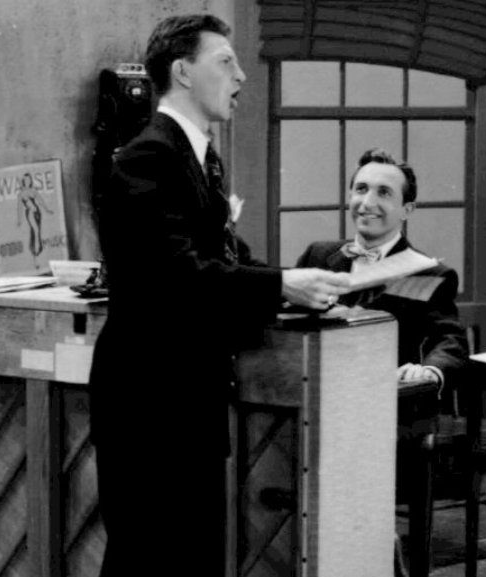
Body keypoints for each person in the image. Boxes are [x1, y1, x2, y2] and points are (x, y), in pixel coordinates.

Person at [88, 14, 351, 577]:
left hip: (186, 398)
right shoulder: (147, 157)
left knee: (190, 556)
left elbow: (225, 257)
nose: (241, 76)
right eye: (225, 62)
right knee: (148, 557)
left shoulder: (197, 156)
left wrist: (300, 286)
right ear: (183, 72)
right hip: (149, 402)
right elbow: (177, 275)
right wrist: (280, 284)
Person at [296, 148, 469, 574]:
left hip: (386, 412)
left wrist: (428, 370)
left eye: (384, 193)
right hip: (315, 401)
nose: (367, 202)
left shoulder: (428, 273)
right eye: (360, 189)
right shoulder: (318, 257)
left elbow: (450, 340)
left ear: (407, 209)